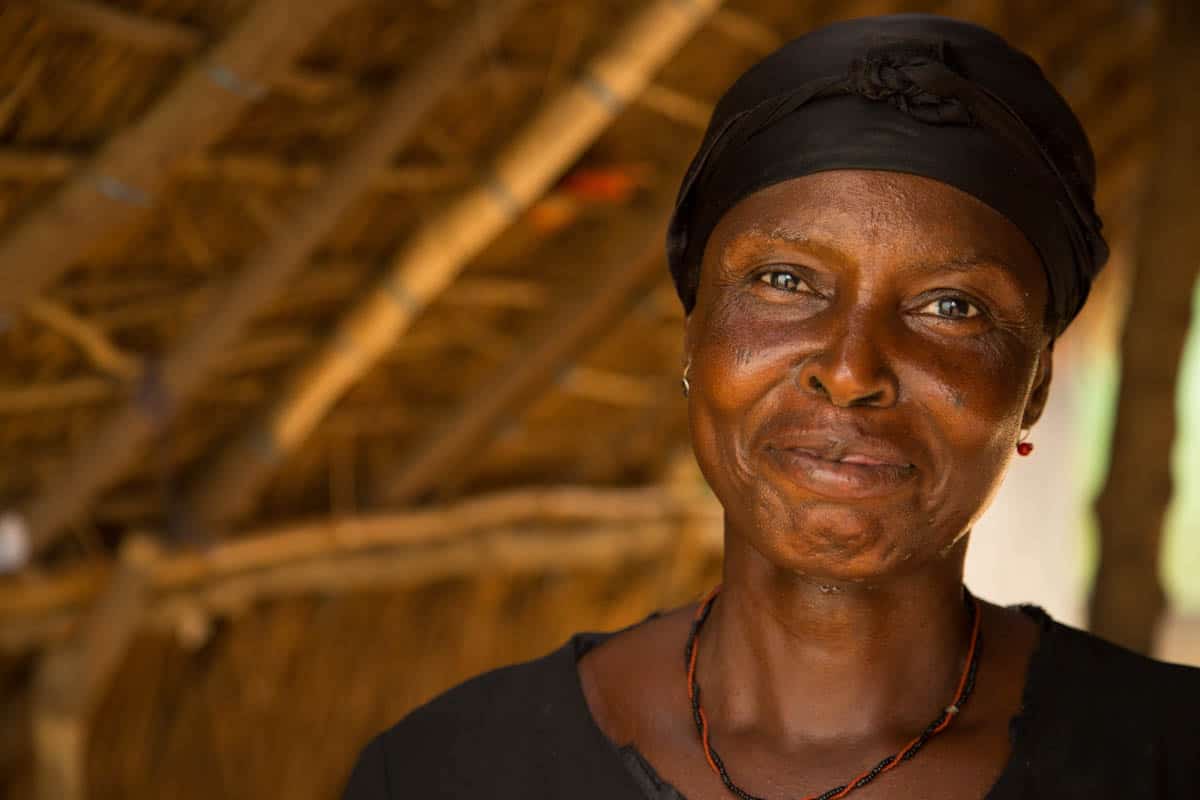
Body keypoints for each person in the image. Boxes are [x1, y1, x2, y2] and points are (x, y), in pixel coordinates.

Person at [341, 13, 1200, 800]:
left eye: (950, 306)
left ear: (1035, 386)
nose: (852, 367)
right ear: (695, 338)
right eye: (784, 282)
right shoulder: (446, 774)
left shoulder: (1168, 760)